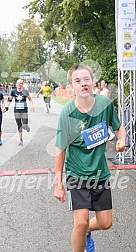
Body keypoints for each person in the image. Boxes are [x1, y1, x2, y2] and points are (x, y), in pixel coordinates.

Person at [54, 64, 126, 252]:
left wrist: (121, 140)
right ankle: (81, 236)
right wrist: (58, 184)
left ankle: (85, 232)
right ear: (72, 87)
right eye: (77, 81)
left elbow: (118, 127)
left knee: (105, 223)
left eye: (86, 79)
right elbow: (60, 149)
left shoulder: (104, 105)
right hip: (76, 174)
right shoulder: (67, 114)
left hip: (100, 174)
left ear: (93, 82)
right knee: (80, 222)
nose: (83, 84)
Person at [7, 79, 34, 146]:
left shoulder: (25, 91)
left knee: (24, 125)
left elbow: (30, 99)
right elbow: (10, 100)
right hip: (16, 110)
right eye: (18, 83)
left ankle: (26, 126)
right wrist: (6, 106)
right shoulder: (13, 91)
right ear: (16, 84)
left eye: (21, 83)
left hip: (24, 110)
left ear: (22, 84)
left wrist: (32, 106)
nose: (19, 85)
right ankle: (21, 139)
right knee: (19, 125)